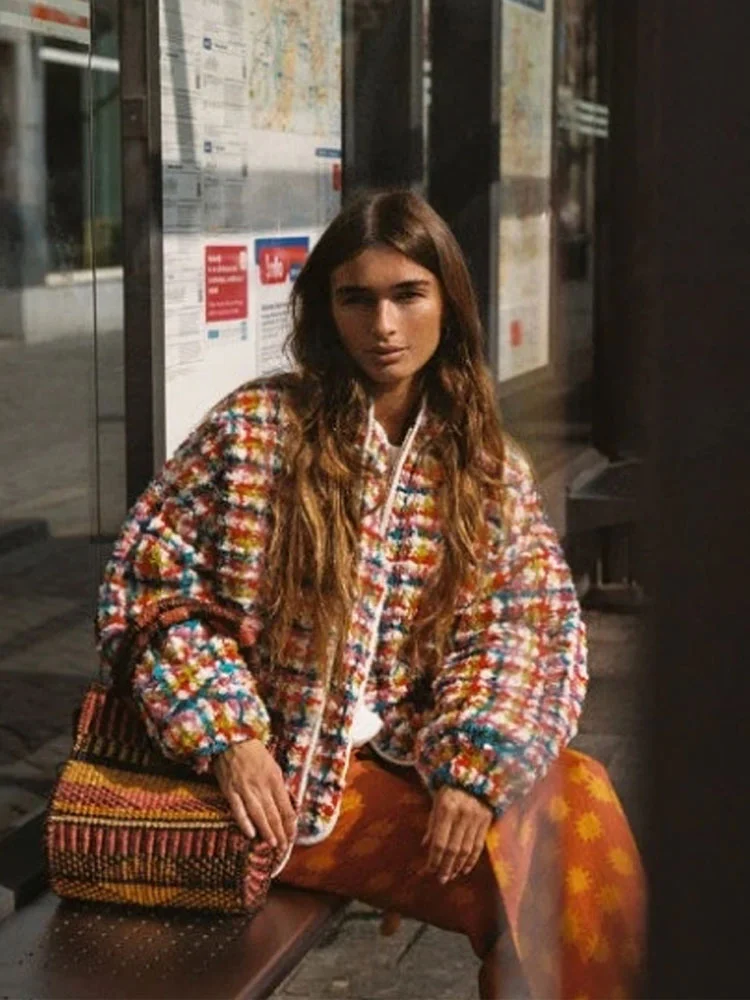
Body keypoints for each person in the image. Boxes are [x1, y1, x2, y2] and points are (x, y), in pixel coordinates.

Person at [97, 189, 644, 999]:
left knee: (578, 798)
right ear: (326, 308)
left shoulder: (481, 461)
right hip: (272, 789)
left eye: (408, 295)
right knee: (543, 900)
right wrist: (228, 734)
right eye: (356, 298)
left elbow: (524, 627)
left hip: (406, 760)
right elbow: (150, 585)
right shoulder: (254, 429)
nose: (383, 326)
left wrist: (474, 766)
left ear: (447, 303)